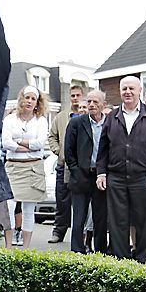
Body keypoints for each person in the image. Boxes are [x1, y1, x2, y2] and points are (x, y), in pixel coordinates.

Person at [96, 76, 146, 263]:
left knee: (144, 221)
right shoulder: (112, 117)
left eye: (131, 88)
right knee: (117, 222)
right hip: (116, 177)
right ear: (120, 92)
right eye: (124, 88)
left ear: (139, 90)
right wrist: (101, 173)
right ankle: (122, 261)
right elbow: (103, 149)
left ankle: (143, 261)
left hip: (143, 177)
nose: (127, 92)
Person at [2, 86, 49, 249]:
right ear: (21, 99)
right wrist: (28, 146)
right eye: (26, 97)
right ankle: (8, 247)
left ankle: (26, 248)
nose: (29, 101)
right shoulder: (9, 119)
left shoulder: (41, 121)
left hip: (33, 168)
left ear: (37, 102)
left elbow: (40, 143)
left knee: (29, 210)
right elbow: (6, 142)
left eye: (33, 99)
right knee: (9, 207)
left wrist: (18, 141)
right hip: (13, 168)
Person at [65, 89, 108, 254]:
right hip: (81, 175)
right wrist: (76, 171)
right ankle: (77, 250)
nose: (91, 105)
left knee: (100, 217)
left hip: (101, 175)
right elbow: (68, 151)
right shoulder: (77, 123)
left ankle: (100, 251)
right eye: (89, 101)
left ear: (103, 104)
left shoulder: (110, 123)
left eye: (95, 102)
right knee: (78, 218)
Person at [47, 84, 84, 243]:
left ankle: (81, 235)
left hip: (82, 166)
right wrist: (59, 152)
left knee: (81, 203)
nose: (75, 98)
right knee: (62, 200)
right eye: (73, 96)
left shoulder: (88, 115)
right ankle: (59, 232)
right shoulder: (61, 117)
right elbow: (52, 137)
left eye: (78, 95)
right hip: (64, 165)